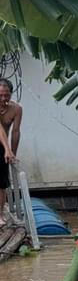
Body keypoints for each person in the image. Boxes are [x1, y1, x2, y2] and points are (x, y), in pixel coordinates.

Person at [0, 80, 18, 225]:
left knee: (2, 183)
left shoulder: (16, 109)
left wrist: (13, 153)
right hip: (2, 146)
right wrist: (7, 149)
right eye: (0, 95)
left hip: (2, 149)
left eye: (6, 95)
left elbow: (16, 132)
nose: (3, 99)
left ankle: (0, 214)